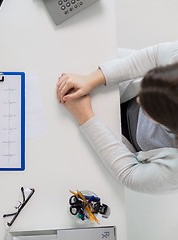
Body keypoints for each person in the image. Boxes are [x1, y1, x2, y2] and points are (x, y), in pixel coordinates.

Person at [56, 41, 178, 193]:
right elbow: (154, 57)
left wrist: (86, 117)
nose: (139, 100)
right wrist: (92, 79)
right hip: (122, 80)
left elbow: (130, 174)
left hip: (117, 140)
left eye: (147, 106)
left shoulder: (174, 173)